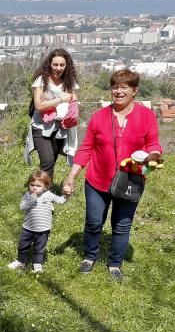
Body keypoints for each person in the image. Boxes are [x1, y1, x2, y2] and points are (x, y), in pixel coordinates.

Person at [63, 69, 163, 281]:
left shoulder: (146, 116)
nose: (118, 91)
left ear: (134, 91)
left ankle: (115, 263)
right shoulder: (99, 117)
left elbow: (153, 143)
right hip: (97, 180)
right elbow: (86, 148)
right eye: (115, 87)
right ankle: (90, 256)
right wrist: (71, 175)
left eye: (124, 87)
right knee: (93, 221)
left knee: (122, 224)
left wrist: (154, 156)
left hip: (131, 180)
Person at [24, 49, 79, 180]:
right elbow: (39, 106)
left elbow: (73, 103)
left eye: (62, 65)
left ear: (67, 66)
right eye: (55, 64)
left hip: (59, 127)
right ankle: (39, 191)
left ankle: (44, 189)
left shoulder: (69, 82)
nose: (58, 68)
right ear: (49, 64)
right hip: (40, 127)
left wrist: (49, 102)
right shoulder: (41, 81)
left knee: (51, 162)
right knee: (47, 161)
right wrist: (61, 99)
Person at [8, 170, 67, 273]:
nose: (34, 188)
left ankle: (37, 264)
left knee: (39, 248)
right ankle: (21, 261)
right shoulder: (27, 195)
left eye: (38, 186)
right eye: (32, 185)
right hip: (28, 228)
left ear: (45, 187)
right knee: (23, 246)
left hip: (43, 229)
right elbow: (23, 207)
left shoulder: (49, 195)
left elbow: (60, 201)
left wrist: (66, 195)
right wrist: (32, 198)